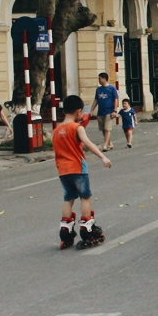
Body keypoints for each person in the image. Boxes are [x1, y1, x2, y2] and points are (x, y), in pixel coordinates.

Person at [53, 94, 111, 249]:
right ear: (78, 112)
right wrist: (103, 157)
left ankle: (65, 228)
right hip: (78, 168)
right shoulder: (76, 127)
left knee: (68, 198)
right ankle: (86, 226)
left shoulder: (56, 130)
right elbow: (87, 143)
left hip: (63, 170)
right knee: (85, 197)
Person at [93, 73, 119, 151]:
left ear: (104, 79)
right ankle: (109, 143)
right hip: (101, 111)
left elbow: (116, 99)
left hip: (109, 111)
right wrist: (91, 110)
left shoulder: (112, 88)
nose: (99, 80)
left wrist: (115, 110)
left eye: (100, 78)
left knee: (107, 129)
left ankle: (105, 145)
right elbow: (96, 100)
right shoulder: (98, 90)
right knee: (103, 129)